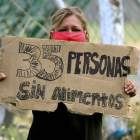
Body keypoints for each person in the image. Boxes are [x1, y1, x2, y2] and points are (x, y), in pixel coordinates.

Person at [0, 7, 137, 140]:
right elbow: (22, 97)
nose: (69, 33)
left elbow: (114, 96)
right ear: (52, 34)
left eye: (75, 29)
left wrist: (126, 89)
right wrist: (5, 85)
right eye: (63, 30)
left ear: (85, 34)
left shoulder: (100, 66)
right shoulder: (39, 64)